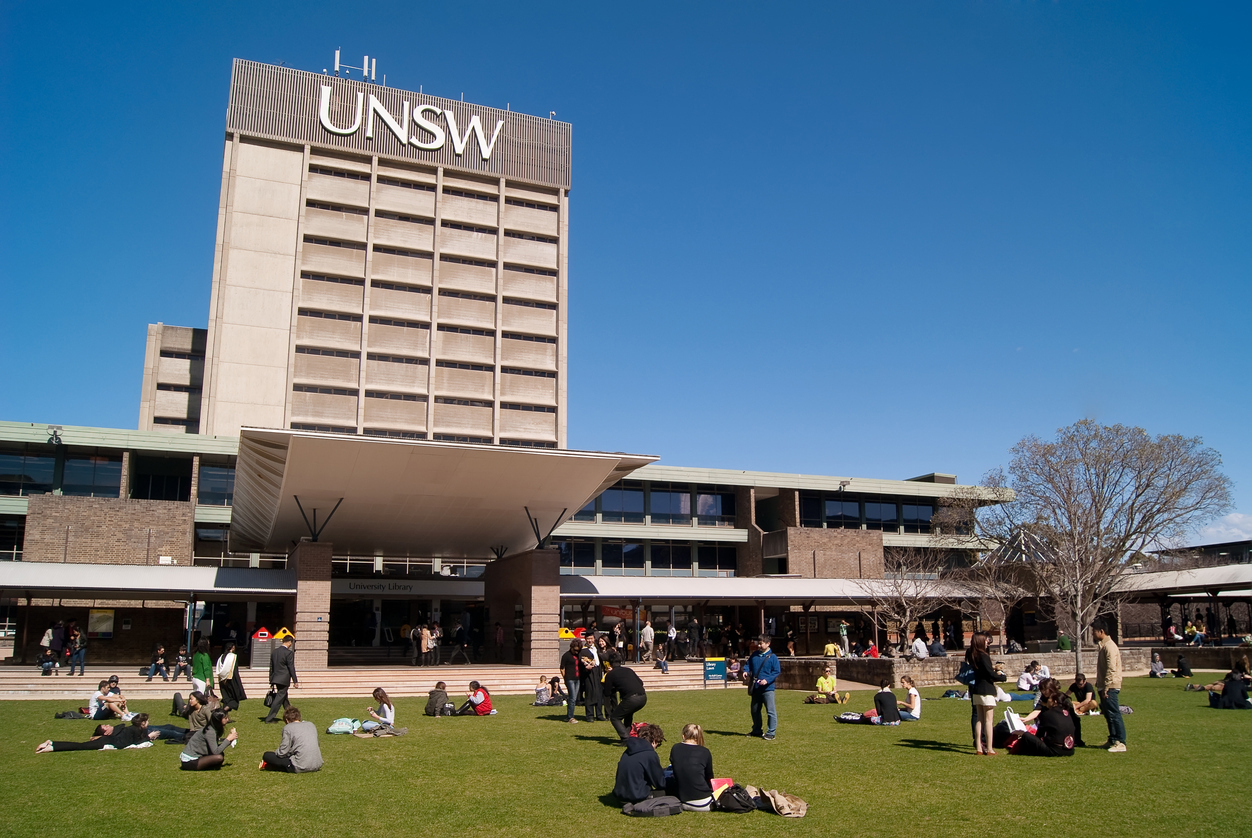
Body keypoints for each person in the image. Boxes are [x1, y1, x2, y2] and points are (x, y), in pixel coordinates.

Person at [1007, 682, 1075, 757]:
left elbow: (1039, 735)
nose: (1047, 701)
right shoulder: (1066, 713)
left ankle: (1015, 751)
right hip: (1070, 750)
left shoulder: (1047, 714)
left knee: (1026, 735)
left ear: (1054, 702)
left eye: (1049, 699)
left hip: (1055, 750)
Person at [35, 715, 159, 753]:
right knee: (81, 746)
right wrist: (149, 737)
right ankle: (51, 745)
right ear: (142, 723)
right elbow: (136, 742)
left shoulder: (136, 729)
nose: (148, 722)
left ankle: (51, 744)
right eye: (146, 721)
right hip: (109, 741)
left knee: (81, 745)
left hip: (110, 740)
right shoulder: (134, 729)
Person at [967, 631, 1004, 755]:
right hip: (986, 690)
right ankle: (989, 748)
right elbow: (989, 673)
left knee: (979, 720)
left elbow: (983, 670)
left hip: (977, 689)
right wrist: (1001, 677)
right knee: (988, 721)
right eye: (985, 640)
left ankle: (978, 747)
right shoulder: (983, 655)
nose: (987, 642)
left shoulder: (973, 654)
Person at [1092, 619, 1126, 752]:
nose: (1093, 634)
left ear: (1102, 631)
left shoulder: (1110, 646)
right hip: (1105, 686)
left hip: (1110, 686)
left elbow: (1111, 668)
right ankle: (1113, 739)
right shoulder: (1103, 646)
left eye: (1094, 631)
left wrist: (1106, 686)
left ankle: (1121, 742)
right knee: (1108, 714)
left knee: (1114, 714)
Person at [613, 724, 665, 804]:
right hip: (637, 797)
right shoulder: (649, 754)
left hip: (620, 796)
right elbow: (660, 783)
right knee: (668, 790)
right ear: (654, 741)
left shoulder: (628, 750)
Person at [260, 707, 323, 773]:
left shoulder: (288, 728)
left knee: (267, 755)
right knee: (286, 759)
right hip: (317, 764)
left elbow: (282, 752)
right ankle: (268, 766)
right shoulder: (311, 725)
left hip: (300, 765)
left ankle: (268, 765)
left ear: (287, 720)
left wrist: (277, 752)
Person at [670, 723, 714, 811]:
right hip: (704, 802)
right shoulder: (705, 752)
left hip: (683, 800)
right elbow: (709, 777)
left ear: (683, 736)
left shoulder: (675, 748)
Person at [603, 653, 647, 742]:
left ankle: (625, 738)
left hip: (631, 699)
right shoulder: (628, 670)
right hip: (643, 697)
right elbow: (641, 682)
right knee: (628, 714)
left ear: (609, 663)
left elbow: (607, 692)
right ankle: (627, 735)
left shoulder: (610, 674)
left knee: (615, 718)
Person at [747, 634, 780, 741]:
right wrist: (745, 671)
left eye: (761, 643)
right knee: (755, 710)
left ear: (768, 643)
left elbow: (776, 671)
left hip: (768, 689)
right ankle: (756, 730)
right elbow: (748, 664)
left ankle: (771, 732)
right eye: (759, 643)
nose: (759, 645)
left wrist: (767, 680)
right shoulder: (755, 655)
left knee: (770, 711)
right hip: (756, 688)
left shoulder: (773, 657)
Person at [262, 635, 298, 723]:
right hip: (284, 679)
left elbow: (271, 667)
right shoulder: (288, 653)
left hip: (276, 678)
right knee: (279, 699)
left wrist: (271, 679)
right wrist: (295, 680)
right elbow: (291, 667)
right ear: (289, 642)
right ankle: (269, 718)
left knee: (284, 698)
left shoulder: (274, 652)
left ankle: (291, 716)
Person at [215, 640, 247, 711]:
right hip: (231, 679)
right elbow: (235, 670)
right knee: (234, 697)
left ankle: (225, 716)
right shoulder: (233, 657)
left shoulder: (221, 656)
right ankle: (225, 709)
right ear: (232, 648)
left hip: (222, 679)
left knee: (226, 698)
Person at [560, 639, 584, 723]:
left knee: (574, 698)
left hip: (577, 679)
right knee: (572, 698)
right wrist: (565, 678)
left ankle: (569, 716)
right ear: (572, 647)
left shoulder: (579, 655)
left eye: (578, 650)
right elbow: (562, 668)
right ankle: (570, 717)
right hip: (570, 678)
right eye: (575, 650)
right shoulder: (566, 656)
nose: (577, 652)